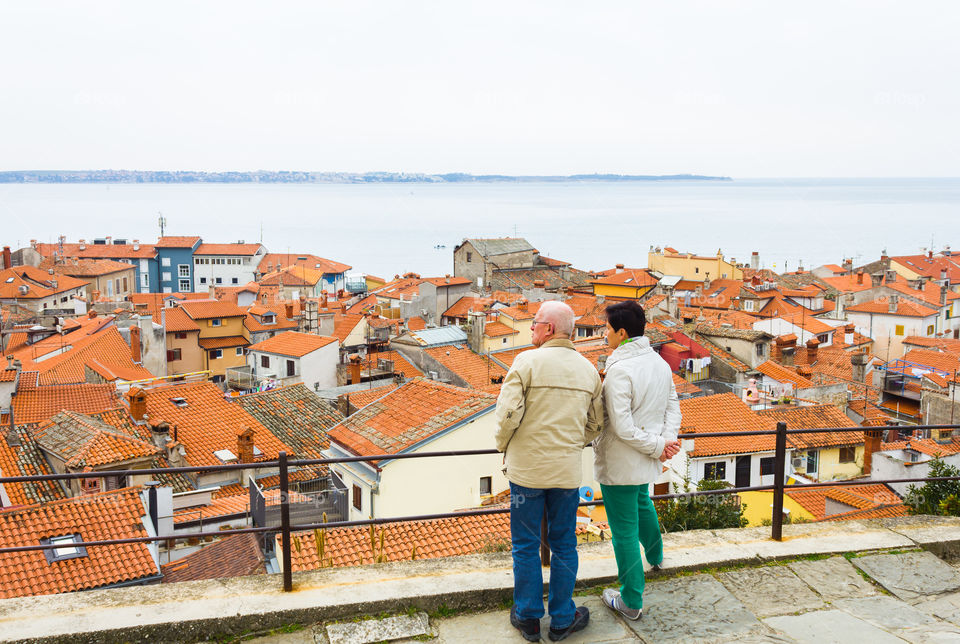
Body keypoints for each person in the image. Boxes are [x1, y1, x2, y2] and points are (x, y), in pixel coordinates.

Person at [495, 300, 603, 642]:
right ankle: (562, 618)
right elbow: (596, 424)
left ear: (549, 329)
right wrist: (573, 441)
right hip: (566, 473)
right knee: (564, 543)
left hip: (526, 471)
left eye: (534, 323)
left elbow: (508, 415)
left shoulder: (526, 362)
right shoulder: (588, 370)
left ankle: (527, 617)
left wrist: (505, 445)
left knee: (525, 545)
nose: (530, 328)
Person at [595, 300, 681, 621]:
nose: (605, 335)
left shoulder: (619, 371)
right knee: (643, 502)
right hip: (646, 458)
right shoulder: (658, 362)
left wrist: (660, 446)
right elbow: (673, 405)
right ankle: (656, 555)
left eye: (606, 329)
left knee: (624, 532)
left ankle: (631, 600)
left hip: (621, 462)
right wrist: (666, 443)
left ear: (621, 332)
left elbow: (621, 426)